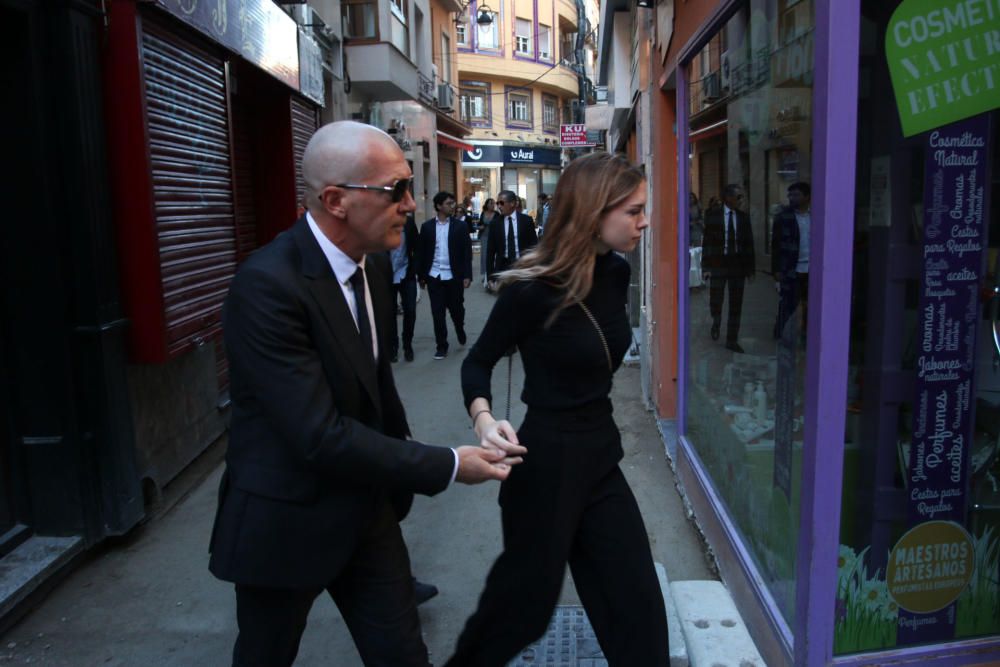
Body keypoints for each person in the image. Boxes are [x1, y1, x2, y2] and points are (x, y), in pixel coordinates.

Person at [208, 121, 525, 667]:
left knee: (403, 655)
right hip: (288, 521)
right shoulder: (266, 287)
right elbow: (318, 435)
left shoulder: (373, 266)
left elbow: (377, 390)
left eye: (410, 186)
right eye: (395, 189)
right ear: (336, 200)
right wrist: (446, 464)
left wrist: (449, 434)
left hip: (367, 512)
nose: (411, 202)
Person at [447, 152, 669, 667]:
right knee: (520, 613)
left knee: (637, 610)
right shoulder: (530, 291)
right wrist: (484, 421)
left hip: (601, 460)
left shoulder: (616, 272)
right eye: (634, 211)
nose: (645, 221)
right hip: (544, 465)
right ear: (595, 210)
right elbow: (476, 363)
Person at [418, 191, 474, 359]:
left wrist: (467, 275)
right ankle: (441, 345)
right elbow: (421, 253)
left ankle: (459, 327)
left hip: (454, 276)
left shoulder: (460, 226)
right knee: (437, 313)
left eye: (453, 203)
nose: (453, 206)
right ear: (439, 206)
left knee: (457, 309)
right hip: (434, 276)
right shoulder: (427, 227)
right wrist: (421, 276)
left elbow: (466, 252)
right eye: (449, 203)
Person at [702, 183, 755, 353]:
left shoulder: (743, 217)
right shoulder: (713, 215)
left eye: (741, 197)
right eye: (738, 197)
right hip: (718, 264)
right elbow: (707, 243)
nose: (741, 200)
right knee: (716, 298)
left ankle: (732, 339)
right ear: (728, 198)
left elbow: (749, 244)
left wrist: (750, 269)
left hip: (737, 266)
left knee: (736, 303)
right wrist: (706, 267)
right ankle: (716, 320)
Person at [771, 181, 811, 340]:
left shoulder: (817, 215)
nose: (792, 198)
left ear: (807, 196)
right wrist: (777, 270)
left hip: (811, 269)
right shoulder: (783, 217)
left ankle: (806, 334)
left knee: (810, 305)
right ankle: (779, 332)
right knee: (788, 303)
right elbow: (775, 245)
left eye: (796, 195)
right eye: (790, 195)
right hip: (791, 268)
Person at [486, 190, 537, 286]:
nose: (499, 206)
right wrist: (490, 276)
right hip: (503, 266)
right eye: (497, 203)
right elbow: (490, 252)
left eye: (501, 203)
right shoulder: (495, 224)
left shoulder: (526, 221)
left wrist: (534, 268)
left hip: (522, 266)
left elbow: (534, 246)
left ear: (512, 203)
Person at [388, 211, 420, 362]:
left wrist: (416, 270)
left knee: (410, 310)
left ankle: (407, 344)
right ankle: (392, 346)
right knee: (388, 313)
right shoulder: (379, 223)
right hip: (386, 275)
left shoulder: (408, 222)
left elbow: (417, 247)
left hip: (406, 273)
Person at [478, 198, 501, 286]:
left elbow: (499, 224)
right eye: (491, 203)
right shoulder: (483, 213)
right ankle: (485, 274)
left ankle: (493, 274)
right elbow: (480, 223)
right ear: (487, 204)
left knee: (493, 256)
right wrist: (480, 227)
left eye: (493, 204)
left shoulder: (497, 214)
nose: (492, 205)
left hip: (494, 237)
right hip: (484, 236)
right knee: (484, 256)